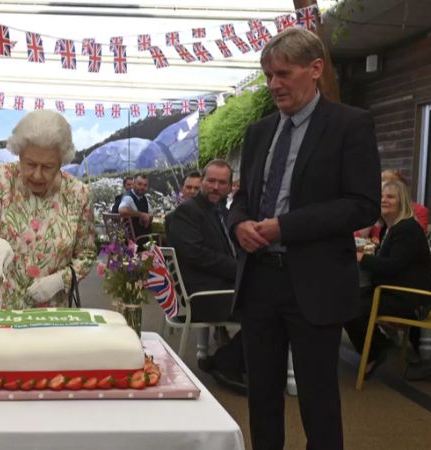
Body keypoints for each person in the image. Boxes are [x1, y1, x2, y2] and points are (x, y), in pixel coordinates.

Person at [228, 28, 380, 450]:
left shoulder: (350, 125)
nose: (274, 84)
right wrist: (239, 224)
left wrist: (285, 227)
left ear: (315, 70)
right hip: (260, 281)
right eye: (267, 75)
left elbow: (363, 205)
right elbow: (241, 200)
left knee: (318, 400)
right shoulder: (259, 133)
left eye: (283, 73)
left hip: (314, 283)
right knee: (261, 396)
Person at [0, 110, 96, 309]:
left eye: (48, 166)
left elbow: (86, 254)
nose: (37, 175)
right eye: (29, 164)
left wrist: (60, 280)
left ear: (61, 161)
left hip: (50, 311)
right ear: (18, 153)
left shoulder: (78, 194)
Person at [165, 160, 245, 394]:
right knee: (270, 308)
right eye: (210, 181)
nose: (215, 187)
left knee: (274, 296)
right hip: (203, 295)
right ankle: (226, 361)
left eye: (222, 183)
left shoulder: (222, 212)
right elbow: (197, 255)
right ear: (202, 182)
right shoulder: (186, 213)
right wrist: (241, 269)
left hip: (222, 286)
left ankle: (231, 358)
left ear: (230, 187)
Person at [344, 180, 431, 373]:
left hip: (412, 299)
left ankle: (377, 349)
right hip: (394, 293)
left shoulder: (407, 229)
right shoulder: (390, 229)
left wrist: (361, 257)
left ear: (402, 201)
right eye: (382, 197)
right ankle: (376, 349)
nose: (384, 200)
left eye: (390, 196)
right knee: (347, 300)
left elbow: (393, 266)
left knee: (350, 306)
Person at [118, 174, 152, 242]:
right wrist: (141, 215)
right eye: (139, 184)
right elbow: (122, 210)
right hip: (133, 240)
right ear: (133, 184)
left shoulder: (143, 198)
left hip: (142, 236)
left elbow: (150, 213)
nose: (142, 187)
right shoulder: (128, 197)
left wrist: (148, 218)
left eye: (145, 185)